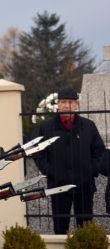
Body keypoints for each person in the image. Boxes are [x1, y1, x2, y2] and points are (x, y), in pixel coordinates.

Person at [33, 87, 105, 234]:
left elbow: (99, 150)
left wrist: (90, 170)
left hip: (84, 185)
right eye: (64, 102)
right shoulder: (46, 128)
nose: (67, 105)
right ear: (58, 105)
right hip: (58, 185)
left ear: (76, 105)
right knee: (60, 227)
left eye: (71, 102)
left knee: (85, 226)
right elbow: (38, 154)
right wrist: (51, 172)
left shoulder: (88, 126)